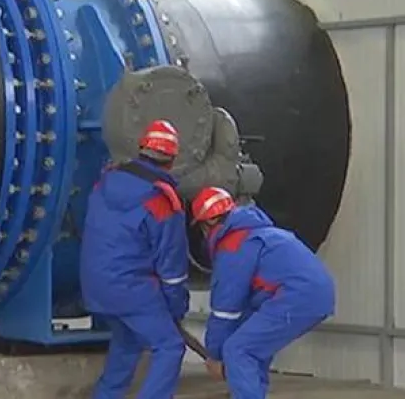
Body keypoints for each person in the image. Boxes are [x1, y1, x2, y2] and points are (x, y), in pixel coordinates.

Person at [189, 187, 336, 399]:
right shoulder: (259, 233)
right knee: (252, 347)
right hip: (310, 293)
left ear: (208, 223)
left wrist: (215, 355)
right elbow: (250, 304)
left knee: (239, 350)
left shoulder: (233, 245)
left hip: (297, 296)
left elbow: (225, 310)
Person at [80, 119, 190, 399]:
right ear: (171, 160)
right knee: (170, 346)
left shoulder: (105, 181)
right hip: (130, 290)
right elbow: (172, 269)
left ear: (142, 149)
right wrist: (176, 308)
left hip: (94, 285)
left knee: (127, 342)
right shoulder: (162, 200)